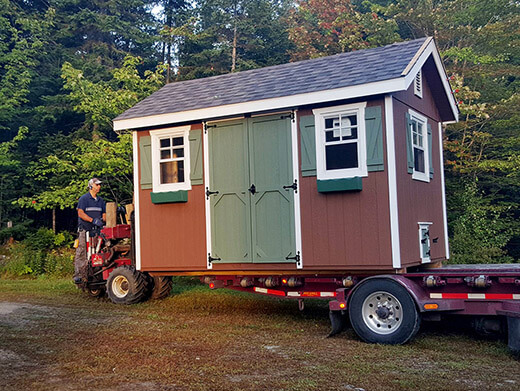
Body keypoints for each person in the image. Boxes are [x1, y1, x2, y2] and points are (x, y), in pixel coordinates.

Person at [73, 178, 106, 284]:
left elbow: (104, 215)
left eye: (100, 185)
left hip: (97, 231)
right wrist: (93, 220)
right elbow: (80, 213)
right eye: (97, 185)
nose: (99, 187)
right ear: (91, 186)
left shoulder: (101, 201)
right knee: (82, 251)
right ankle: (79, 275)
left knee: (97, 252)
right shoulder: (84, 199)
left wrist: (102, 220)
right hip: (85, 230)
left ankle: (93, 273)